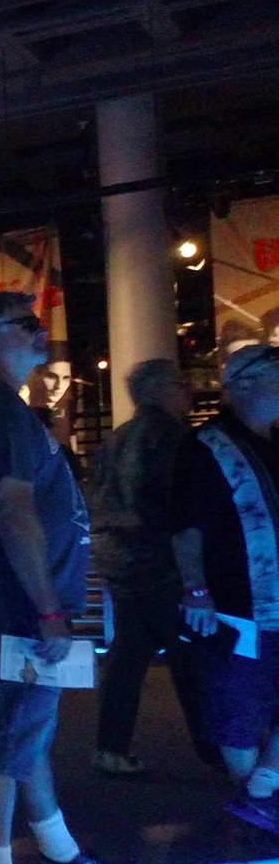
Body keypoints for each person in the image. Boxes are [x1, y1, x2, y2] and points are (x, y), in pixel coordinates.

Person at [0, 291, 140, 864]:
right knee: (3, 741)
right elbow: (13, 508)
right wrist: (49, 609)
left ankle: (58, 855)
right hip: (22, 609)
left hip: (20, 604)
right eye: (25, 323)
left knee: (23, 734)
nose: (39, 331)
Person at [87, 360, 217, 776]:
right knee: (192, 658)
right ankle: (217, 750)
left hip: (121, 563)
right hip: (164, 565)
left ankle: (111, 747)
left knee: (128, 656)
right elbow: (181, 508)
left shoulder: (114, 440)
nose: (188, 392)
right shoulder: (175, 440)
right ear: (160, 389)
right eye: (180, 384)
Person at [170, 344, 279, 833]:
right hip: (236, 600)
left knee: (244, 699)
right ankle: (256, 798)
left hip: (263, 596)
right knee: (240, 703)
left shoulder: (273, 442)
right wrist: (196, 589)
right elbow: (186, 526)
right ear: (243, 386)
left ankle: (258, 792)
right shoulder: (205, 446)